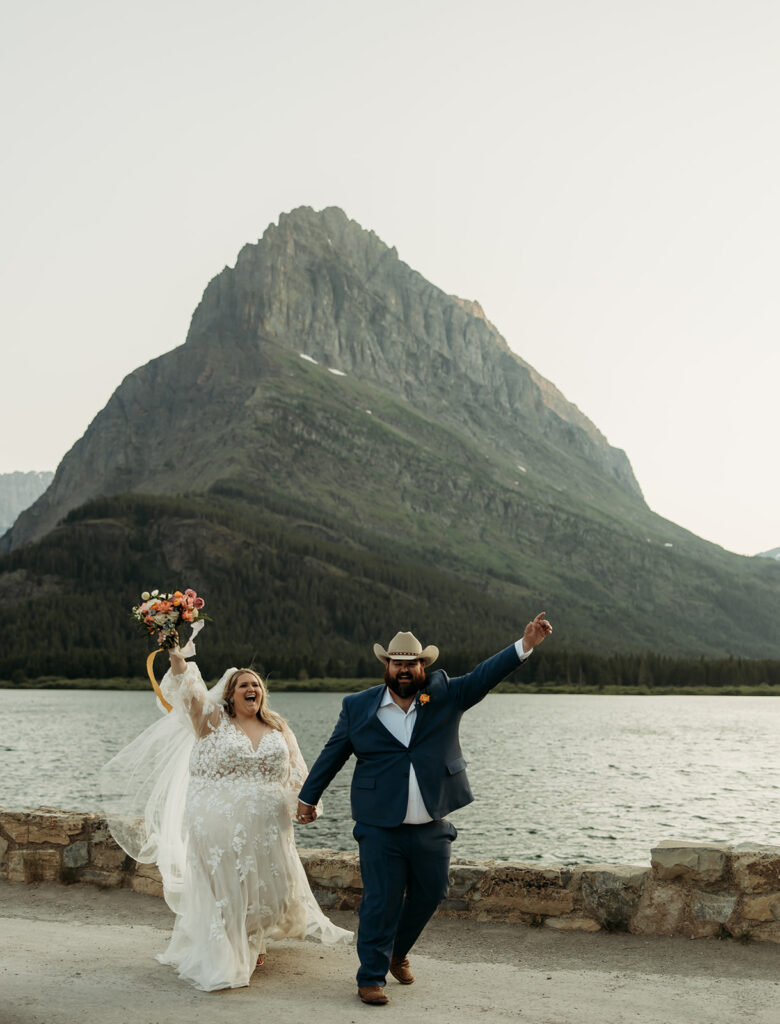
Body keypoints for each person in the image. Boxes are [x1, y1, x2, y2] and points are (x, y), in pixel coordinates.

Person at [296, 612, 552, 1005]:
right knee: (380, 900)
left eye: (411, 664)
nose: (403, 670)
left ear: (422, 666)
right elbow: (333, 753)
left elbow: (485, 675)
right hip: (379, 823)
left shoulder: (444, 694)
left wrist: (526, 645)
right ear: (386, 666)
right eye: (397, 663)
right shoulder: (358, 706)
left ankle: (398, 953)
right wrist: (308, 797)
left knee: (433, 892)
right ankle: (371, 977)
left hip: (431, 820)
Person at [101, 643, 352, 991]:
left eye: (257, 685)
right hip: (217, 819)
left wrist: (306, 804)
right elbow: (188, 689)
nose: (252, 689)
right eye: (244, 685)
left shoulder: (279, 727)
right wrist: (176, 652)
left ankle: (253, 937)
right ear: (230, 695)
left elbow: (296, 771)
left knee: (272, 890)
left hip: (268, 824)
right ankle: (228, 952)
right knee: (228, 885)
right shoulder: (212, 722)